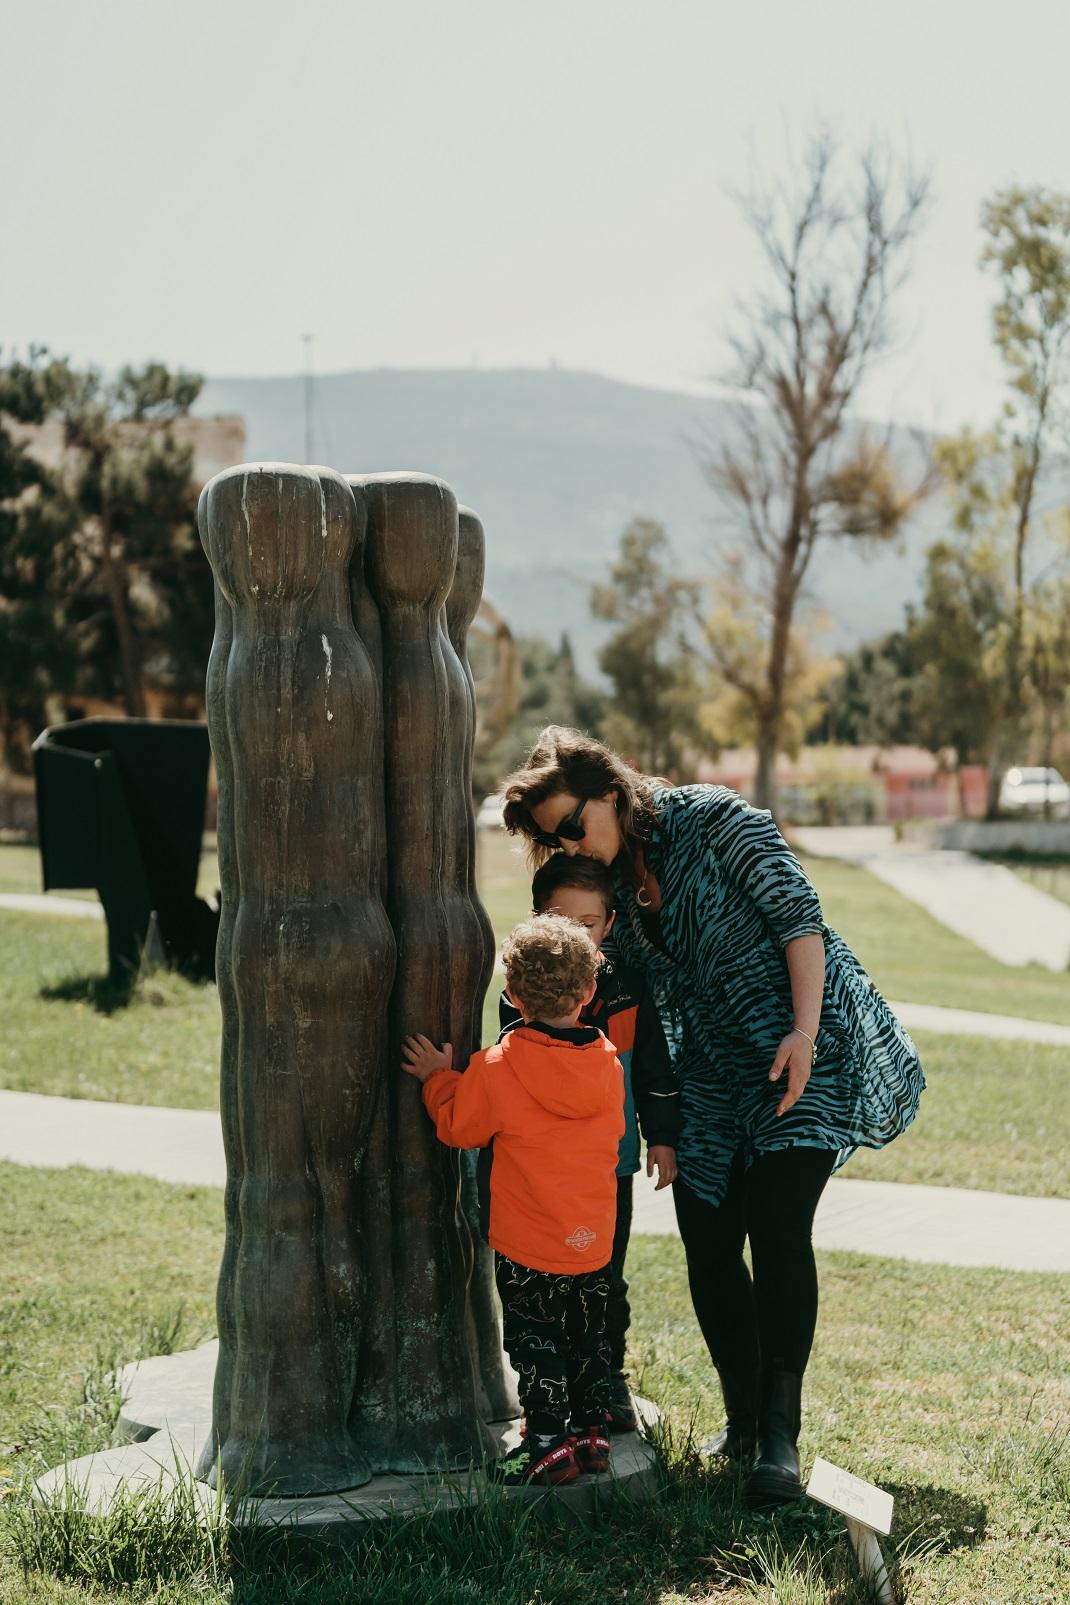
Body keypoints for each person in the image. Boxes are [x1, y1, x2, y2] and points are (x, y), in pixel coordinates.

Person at [500, 727, 925, 1508]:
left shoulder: (714, 819)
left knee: (776, 1219)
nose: (566, 843)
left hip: (802, 1044)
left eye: (571, 822)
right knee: (705, 1228)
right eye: (550, 836)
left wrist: (801, 1030)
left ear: (611, 790)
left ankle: (779, 1439)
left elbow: (801, 917)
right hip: (712, 1070)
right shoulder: (611, 888)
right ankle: (739, 1418)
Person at [402, 912, 624, 1487]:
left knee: (535, 1339)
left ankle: (547, 1443)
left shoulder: (500, 1067)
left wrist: (437, 1078)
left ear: (512, 995)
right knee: (586, 1335)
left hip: (530, 1242)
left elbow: (459, 1126)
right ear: (590, 991)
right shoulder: (607, 1064)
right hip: (592, 1237)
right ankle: (591, 1434)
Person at [497, 852, 680, 1432]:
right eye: (558, 919)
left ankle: (606, 1387)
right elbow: (507, 1073)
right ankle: (552, 1399)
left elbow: (653, 1068)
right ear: (534, 920)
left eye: (587, 924)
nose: (573, 936)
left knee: (604, 1276)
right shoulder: (520, 995)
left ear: (611, 925)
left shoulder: (628, 990)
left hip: (609, 1168)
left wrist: (663, 1139)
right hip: (534, 1174)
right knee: (540, 1284)